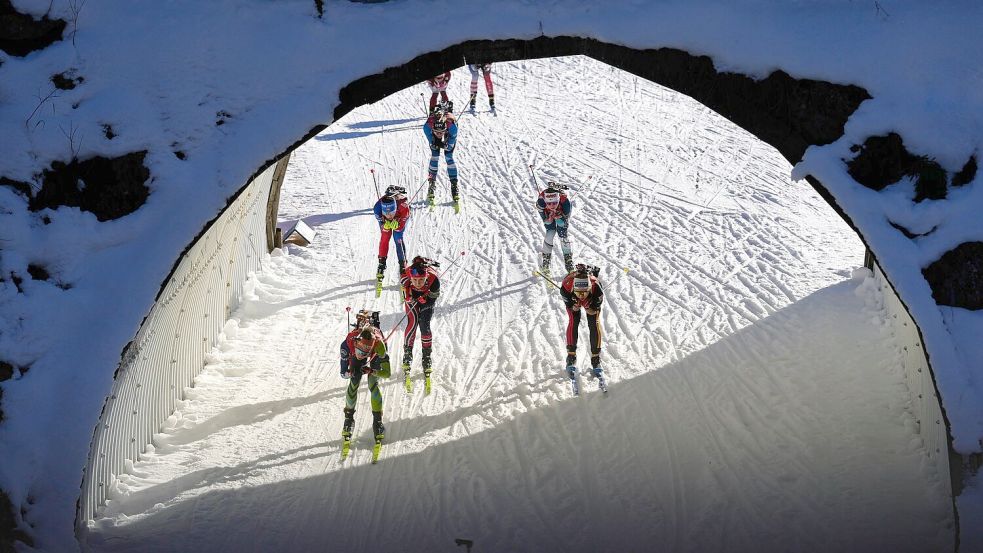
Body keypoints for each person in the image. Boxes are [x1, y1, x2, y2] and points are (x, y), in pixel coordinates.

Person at [339, 313, 391, 442]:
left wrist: (372, 371)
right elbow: (343, 373)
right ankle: (348, 420)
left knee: (373, 384)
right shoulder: (349, 341)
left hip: (375, 354)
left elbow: (387, 373)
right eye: (360, 350)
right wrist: (348, 372)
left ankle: (377, 422)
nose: (362, 355)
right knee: (354, 381)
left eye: (365, 352)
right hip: (360, 352)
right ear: (356, 342)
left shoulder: (379, 346)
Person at [399, 256, 441, 388]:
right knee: (412, 323)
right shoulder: (405, 277)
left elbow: (434, 298)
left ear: (426, 277)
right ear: (411, 277)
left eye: (421, 280)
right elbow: (405, 296)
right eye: (415, 280)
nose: (418, 283)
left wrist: (426, 300)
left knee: (424, 325)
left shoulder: (434, 280)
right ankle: (407, 354)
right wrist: (410, 295)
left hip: (426, 300)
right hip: (412, 299)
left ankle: (426, 356)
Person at [559, 264, 604, 380]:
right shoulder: (566, 286)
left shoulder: (596, 287)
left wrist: (592, 308)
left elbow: (597, 303)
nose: (582, 296)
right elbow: (566, 298)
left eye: (584, 292)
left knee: (594, 323)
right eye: (579, 292)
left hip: (592, 299)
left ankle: (595, 357)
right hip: (572, 299)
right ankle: (571, 355)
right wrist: (572, 305)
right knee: (573, 321)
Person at [373, 185, 411, 292]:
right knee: (385, 237)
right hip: (386, 219)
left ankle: (402, 265)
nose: (389, 215)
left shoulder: (404, 208)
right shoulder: (377, 209)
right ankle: (381, 263)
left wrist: (398, 225)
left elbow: (401, 227)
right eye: (386, 213)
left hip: (400, 218)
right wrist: (384, 225)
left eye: (391, 212)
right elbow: (382, 224)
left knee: (398, 237)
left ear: (395, 208)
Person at [423, 105, 460, 208]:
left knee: (449, 157)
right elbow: (432, 140)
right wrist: (434, 142)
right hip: (436, 132)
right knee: (435, 156)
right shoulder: (427, 127)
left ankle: (454, 184)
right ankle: (431, 183)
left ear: (445, 129)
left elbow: (449, 146)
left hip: (449, 134)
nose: (439, 134)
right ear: (432, 129)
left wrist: (444, 144)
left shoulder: (452, 128)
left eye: (441, 132)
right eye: (437, 132)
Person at [536, 182, 573, 275]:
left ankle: (569, 262)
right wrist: (548, 219)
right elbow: (546, 222)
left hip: (562, 212)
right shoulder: (541, 204)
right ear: (545, 201)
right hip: (547, 212)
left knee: (563, 234)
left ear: (558, 200)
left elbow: (563, 225)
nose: (552, 205)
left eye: (554, 203)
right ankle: (545, 262)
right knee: (550, 232)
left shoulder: (566, 204)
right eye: (549, 203)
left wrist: (559, 219)